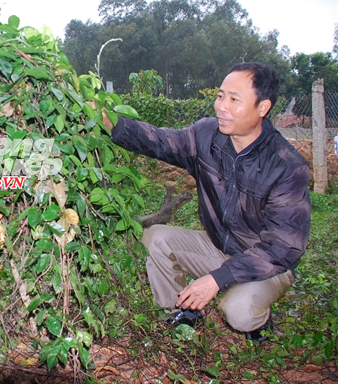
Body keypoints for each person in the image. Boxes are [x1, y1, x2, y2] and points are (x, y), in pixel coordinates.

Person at [101, 62, 310, 342]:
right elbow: (161, 141)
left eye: (234, 99)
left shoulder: (286, 166)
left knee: (239, 311)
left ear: (263, 107)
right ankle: (181, 311)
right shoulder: (206, 137)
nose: (221, 106)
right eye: (220, 96)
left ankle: (258, 322)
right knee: (156, 237)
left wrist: (217, 278)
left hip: (266, 266)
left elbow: (282, 248)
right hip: (219, 248)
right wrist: (112, 124)